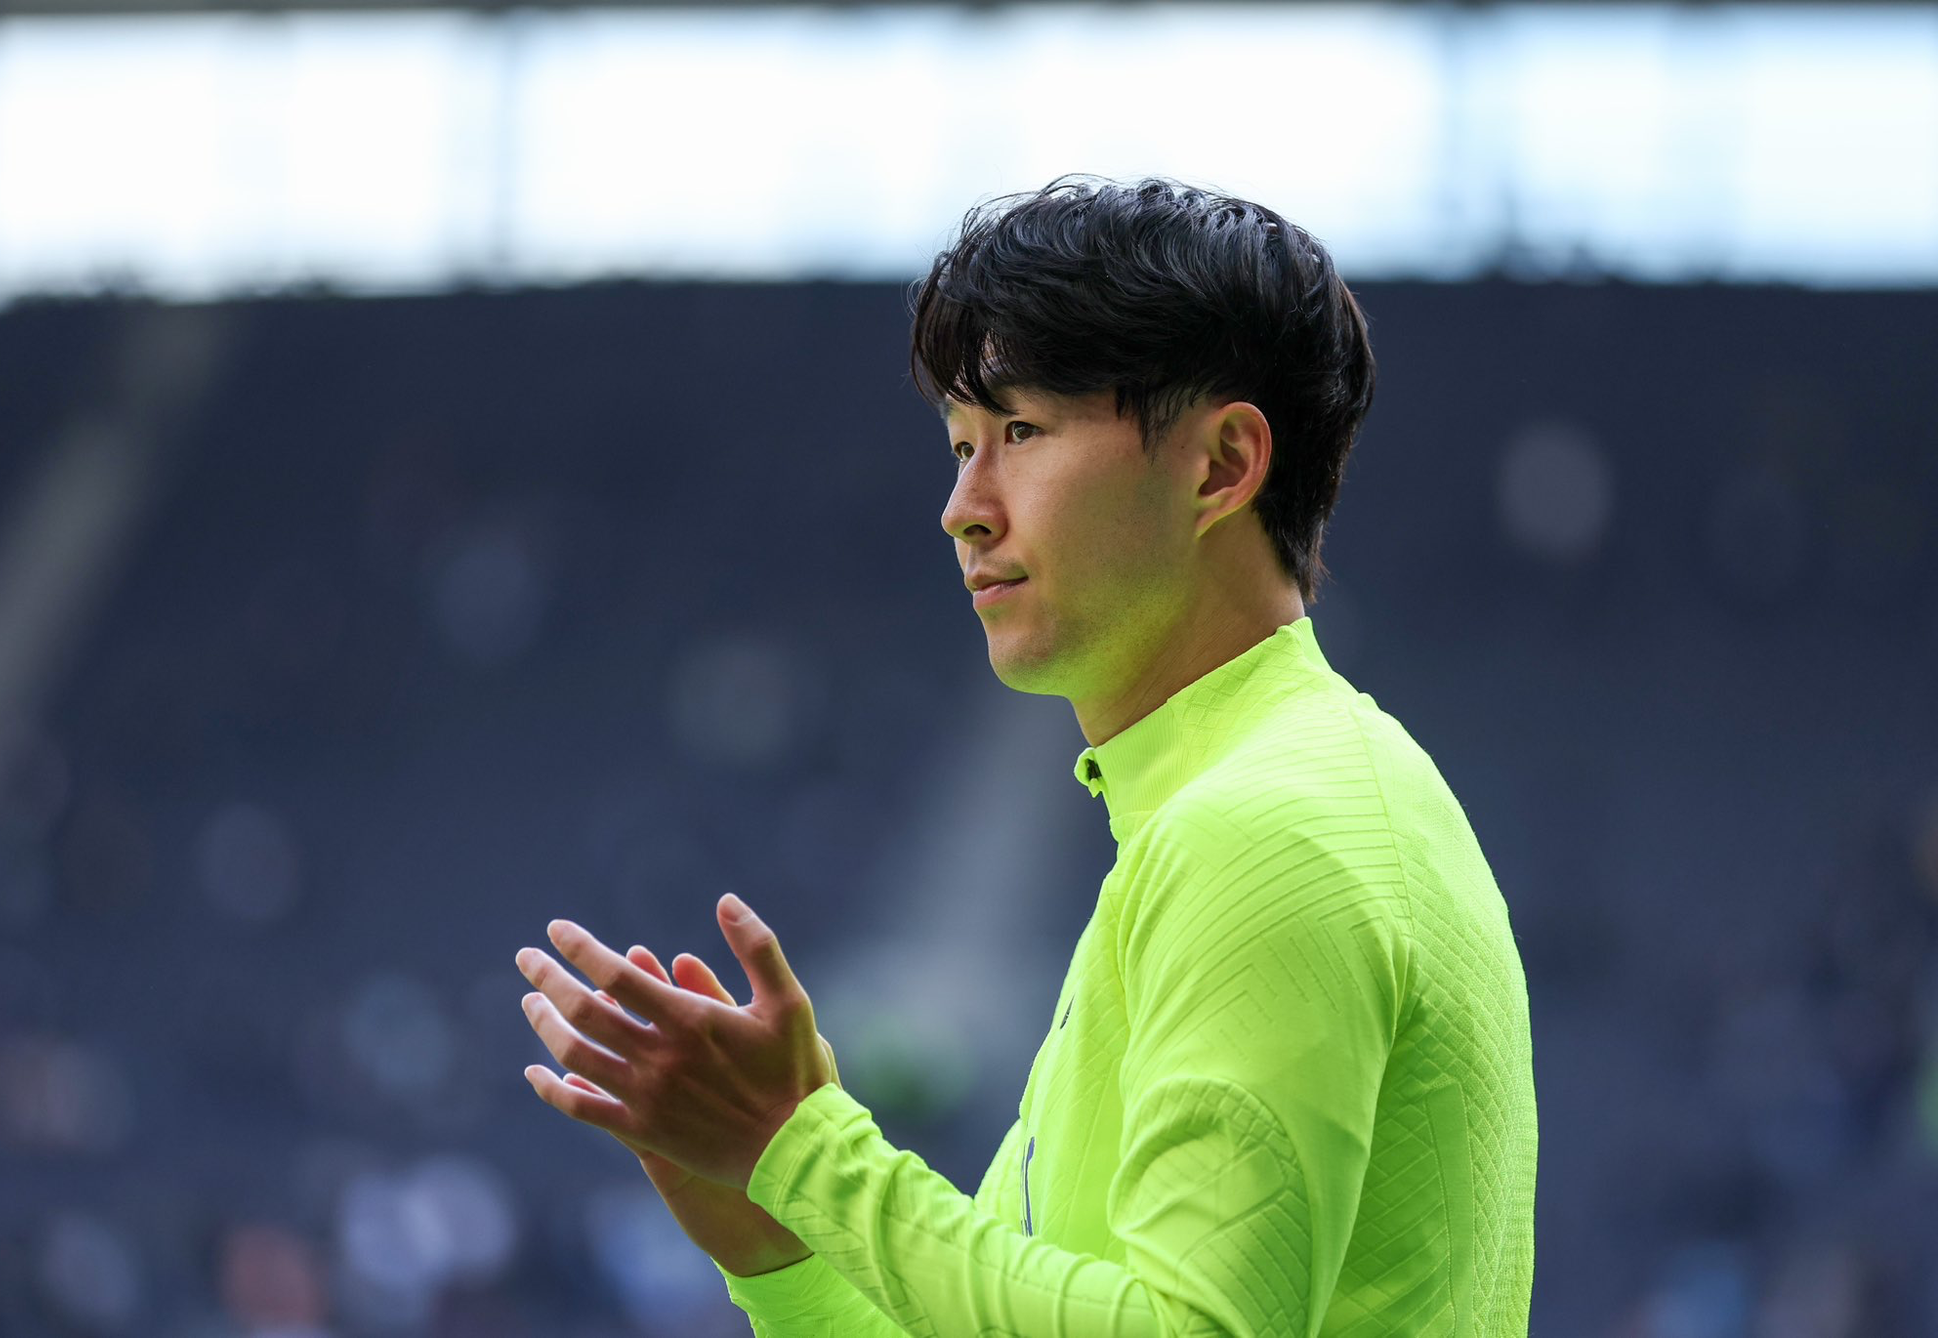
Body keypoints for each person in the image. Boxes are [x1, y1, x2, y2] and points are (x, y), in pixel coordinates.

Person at [515, 174, 1537, 1335]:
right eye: (958, 447)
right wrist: (777, 1246)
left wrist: (806, 1155)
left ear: (1219, 466)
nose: (962, 506)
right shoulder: (1263, 802)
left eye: (1018, 432)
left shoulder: (1263, 835)